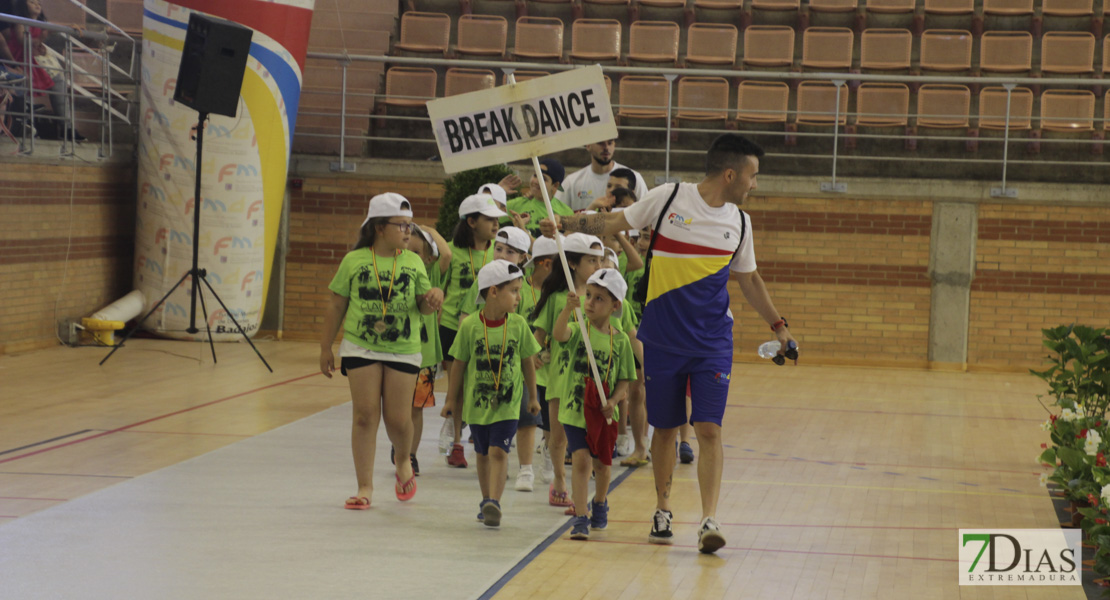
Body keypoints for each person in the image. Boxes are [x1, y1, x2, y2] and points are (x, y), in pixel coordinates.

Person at [542, 134, 799, 554]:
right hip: (663, 339)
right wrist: (565, 224)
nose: (755, 185)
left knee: (709, 429)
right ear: (730, 174)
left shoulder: (740, 223)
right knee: (664, 429)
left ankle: (709, 520)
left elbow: (748, 279)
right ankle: (663, 509)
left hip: (713, 341)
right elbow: (612, 223)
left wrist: (779, 326)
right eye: (752, 176)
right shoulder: (669, 198)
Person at [319, 193, 444, 510]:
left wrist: (431, 300)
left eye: (410, 225)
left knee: (398, 419)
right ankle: (365, 486)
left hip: (403, 349)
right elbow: (336, 304)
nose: (407, 231)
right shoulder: (354, 261)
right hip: (361, 346)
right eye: (401, 225)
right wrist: (325, 347)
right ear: (378, 227)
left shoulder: (413, 261)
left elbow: (422, 307)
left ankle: (403, 459)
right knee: (364, 416)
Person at [441, 260, 541, 527]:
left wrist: (532, 396)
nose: (519, 297)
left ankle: (495, 502)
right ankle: (486, 500)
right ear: (493, 292)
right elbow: (458, 364)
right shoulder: (470, 326)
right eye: (514, 291)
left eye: (520, 290)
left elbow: (528, 361)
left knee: (498, 451)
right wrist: (451, 399)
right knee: (483, 454)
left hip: (508, 405)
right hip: (477, 405)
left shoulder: (518, 325)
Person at [551, 269, 636, 540]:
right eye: (588, 296)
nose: (590, 302)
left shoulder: (620, 341)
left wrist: (613, 400)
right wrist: (567, 309)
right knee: (580, 459)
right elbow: (559, 334)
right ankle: (579, 515)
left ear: (615, 306)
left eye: (599, 298)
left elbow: (625, 379)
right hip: (575, 411)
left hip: (602, 415)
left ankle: (600, 502)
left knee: (601, 464)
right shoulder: (579, 330)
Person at [530, 233, 604, 509]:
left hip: (591, 376)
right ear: (572, 263)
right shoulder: (558, 298)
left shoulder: (601, 297)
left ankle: (586, 493)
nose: (598, 265)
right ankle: (560, 480)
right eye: (591, 260)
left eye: (600, 260)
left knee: (586, 440)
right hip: (561, 376)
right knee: (558, 436)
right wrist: (535, 354)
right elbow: (540, 334)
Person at [440, 193, 507, 468]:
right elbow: (440, 287)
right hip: (451, 327)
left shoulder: (498, 253)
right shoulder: (450, 251)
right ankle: (456, 442)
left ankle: (479, 437)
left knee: (480, 385)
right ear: (471, 222)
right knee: (457, 387)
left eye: (496, 219)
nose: (495, 224)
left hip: (488, 329)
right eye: (489, 219)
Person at [398, 223, 452, 476]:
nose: (412, 255)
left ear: (429, 258)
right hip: (397, 351)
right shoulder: (396, 271)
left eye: (419, 252)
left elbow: (447, 254)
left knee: (416, 408)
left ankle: (411, 455)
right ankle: (400, 445)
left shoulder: (430, 274)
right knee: (397, 409)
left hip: (425, 355)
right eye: (408, 248)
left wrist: (429, 229)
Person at [521, 235, 559, 483]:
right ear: (546, 264)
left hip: (553, 367)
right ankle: (525, 468)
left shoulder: (559, 295)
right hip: (526, 367)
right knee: (529, 417)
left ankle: (550, 455)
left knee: (552, 423)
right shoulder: (519, 288)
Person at [556, 139, 649, 212]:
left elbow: (647, 214)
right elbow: (557, 217)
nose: (606, 148)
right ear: (588, 146)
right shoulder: (571, 182)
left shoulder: (635, 178)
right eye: (600, 143)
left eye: (610, 143)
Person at [500, 158, 574, 241]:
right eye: (535, 175)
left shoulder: (566, 212)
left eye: (543, 179)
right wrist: (496, 191)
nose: (536, 181)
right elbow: (486, 214)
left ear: (555, 185)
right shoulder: (517, 204)